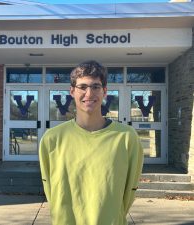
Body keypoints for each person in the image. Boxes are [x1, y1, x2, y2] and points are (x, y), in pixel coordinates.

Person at [39, 60, 144, 225]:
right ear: (72, 91)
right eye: (82, 87)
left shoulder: (126, 138)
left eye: (95, 87)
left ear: (105, 92)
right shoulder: (52, 139)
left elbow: (129, 190)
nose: (89, 94)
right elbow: (50, 190)